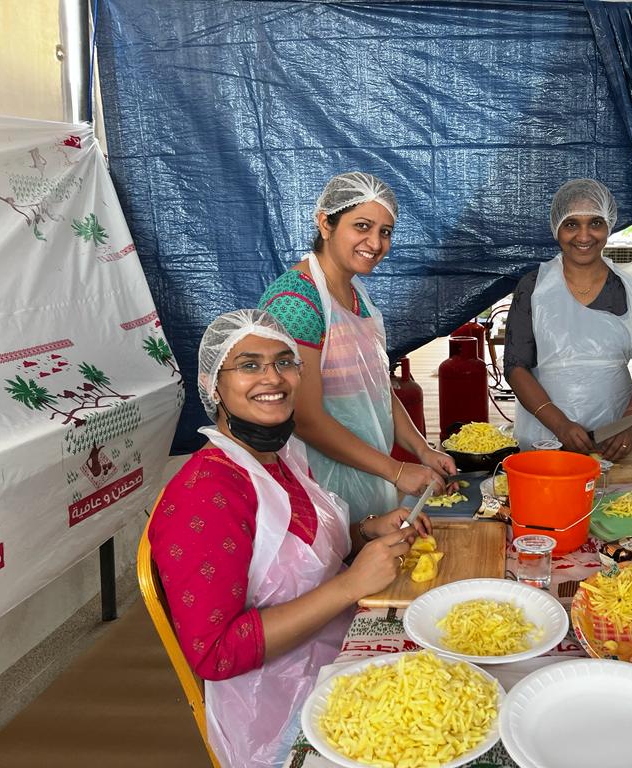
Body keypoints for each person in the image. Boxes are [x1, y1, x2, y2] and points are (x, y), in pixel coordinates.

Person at [148, 310, 429, 768]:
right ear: (212, 383)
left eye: (285, 362)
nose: (272, 378)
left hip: (337, 653)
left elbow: (302, 552)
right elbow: (215, 654)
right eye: (250, 364)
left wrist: (365, 532)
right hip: (277, 712)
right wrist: (351, 584)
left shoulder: (280, 455)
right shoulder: (206, 494)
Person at [260, 172, 455, 522]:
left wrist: (422, 450)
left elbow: (376, 389)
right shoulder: (296, 302)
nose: (375, 243)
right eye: (362, 226)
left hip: (365, 480)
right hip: (317, 490)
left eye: (385, 231)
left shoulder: (357, 297)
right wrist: (396, 471)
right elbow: (304, 419)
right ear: (325, 223)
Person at [504, 179, 632, 460]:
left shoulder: (631, 287)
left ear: (608, 226)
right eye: (571, 224)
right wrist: (560, 425)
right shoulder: (534, 287)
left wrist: (629, 424)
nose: (584, 235)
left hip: (615, 439)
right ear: (557, 229)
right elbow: (516, 367)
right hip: (547, 438)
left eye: (595, 223)